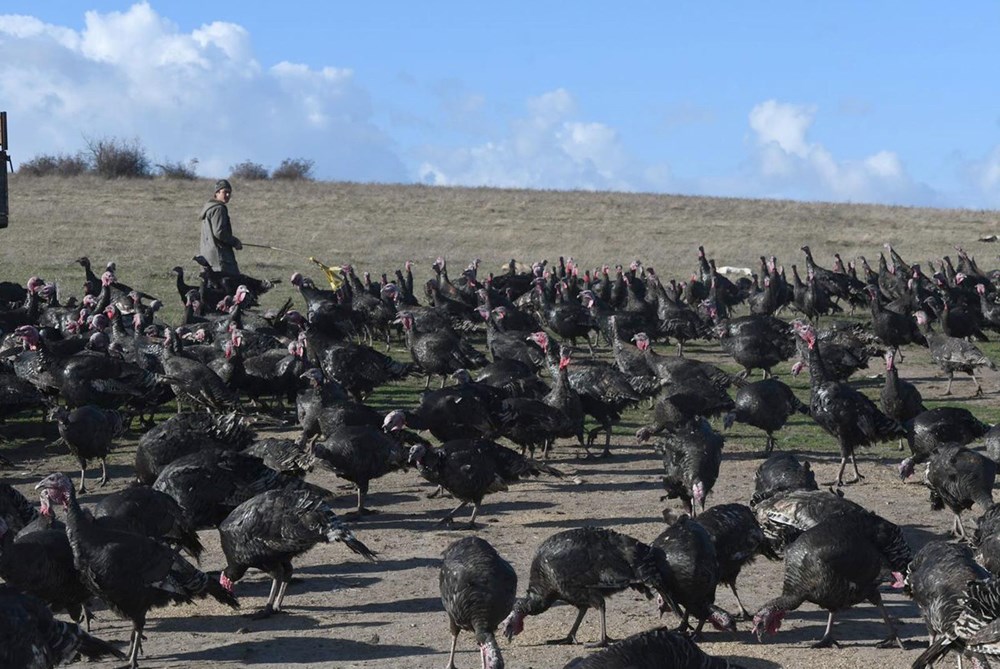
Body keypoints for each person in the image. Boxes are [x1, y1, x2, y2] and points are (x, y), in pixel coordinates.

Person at [199, 178, 243, 275]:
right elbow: (220, 233)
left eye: (229, 193)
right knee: (233, 286)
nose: (228, 195)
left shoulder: (209, 208)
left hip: (208, 257)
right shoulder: (219, 209)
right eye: (225, 192)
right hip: (220, 259)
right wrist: (235, 242)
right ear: (217, 193)